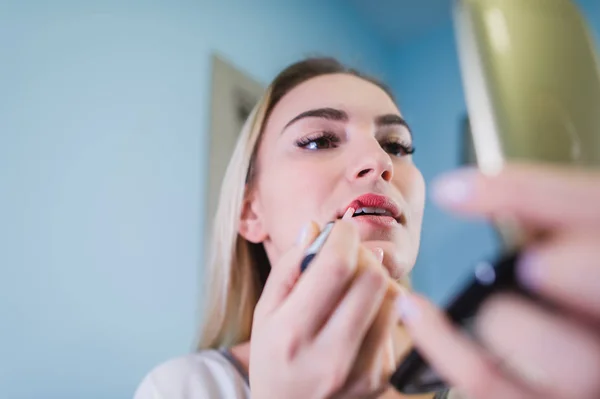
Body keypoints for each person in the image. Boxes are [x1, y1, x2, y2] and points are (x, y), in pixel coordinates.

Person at [133, 57, 600, 399]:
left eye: (396, 144)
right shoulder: (185, 388)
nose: (379, 162)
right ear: (250, 212)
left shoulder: (516, 374)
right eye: (318, 140)